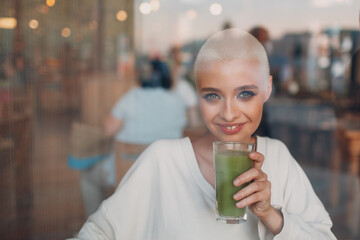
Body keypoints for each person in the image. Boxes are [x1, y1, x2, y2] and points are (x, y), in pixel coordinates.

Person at [73, 29, 336, 239]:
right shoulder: (164, 159)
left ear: (267, 89)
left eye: (245, 93)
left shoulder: (278, 157)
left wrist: (271, 215)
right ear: (197, 94)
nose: (229, 114)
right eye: (213, 96)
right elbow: (98, 233)